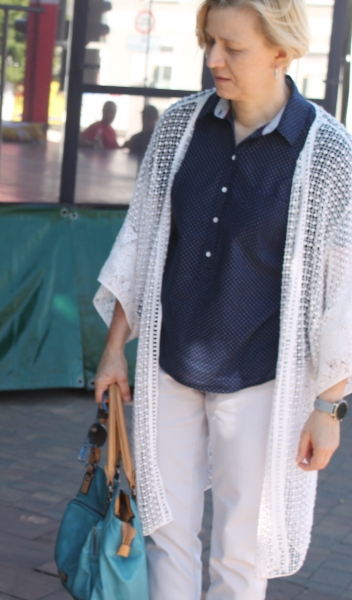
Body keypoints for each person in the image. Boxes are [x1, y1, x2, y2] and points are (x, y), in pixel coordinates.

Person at [92, 1, 352, 598]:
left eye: (233, 48)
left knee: (242, 551)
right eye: (209, 41)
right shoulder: (179, 127)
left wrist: (328, 407)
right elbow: (142, 242)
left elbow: (343, 291)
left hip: (262, 378)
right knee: (165, 534)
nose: (214, 59)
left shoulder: (327, 153)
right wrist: (114, 350)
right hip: (170, 365)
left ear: (282, 51)